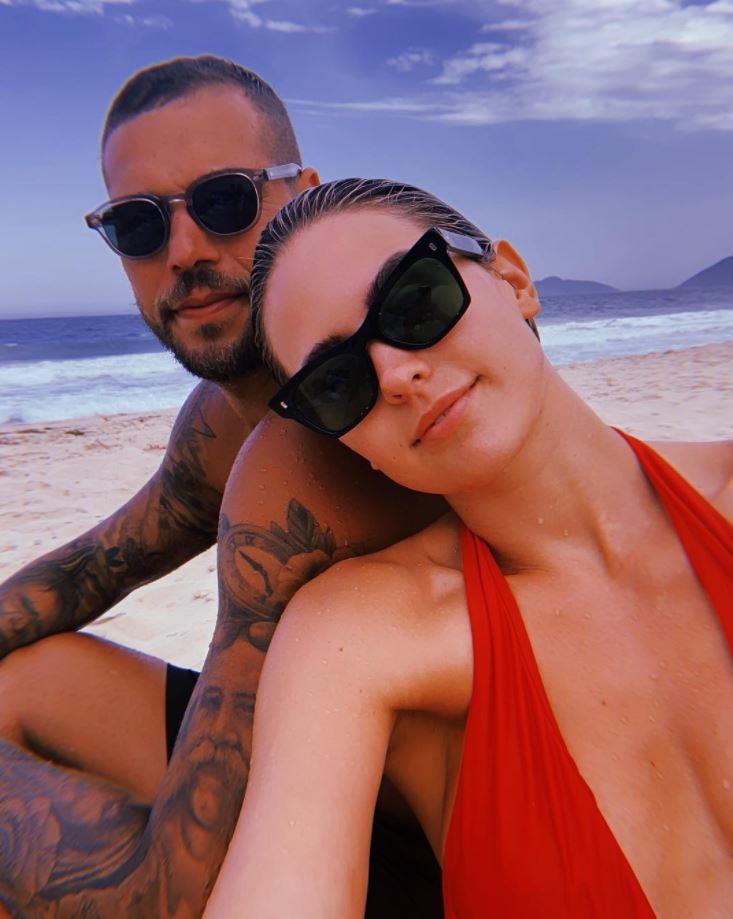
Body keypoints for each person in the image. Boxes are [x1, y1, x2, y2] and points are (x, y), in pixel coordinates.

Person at [206, 178, 733, 918]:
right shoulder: (362, 638)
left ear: (514, 281)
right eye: (337, 381)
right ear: (344, 441)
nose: (393, 373)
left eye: (413, 301)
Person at [0, 61, 445, 917]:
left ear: (304, 195)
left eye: (226, 200)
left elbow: (166, 892)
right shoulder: (221, 417)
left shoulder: (335, 431)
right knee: (29, 675)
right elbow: (98, 565)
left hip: (434, 865)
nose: (186, 251)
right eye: (137, 224)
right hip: (326, 778)